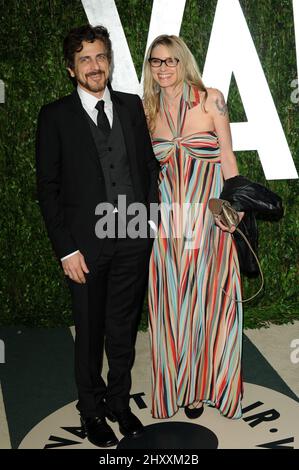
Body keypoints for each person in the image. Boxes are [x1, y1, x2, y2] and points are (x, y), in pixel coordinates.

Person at [36, 24, 159, 447]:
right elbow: (48, 189)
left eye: (101, 57)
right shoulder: (54, 116)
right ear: (71, 69)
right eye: (85, 59)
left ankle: (118, 403)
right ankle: (90, 411)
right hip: (84, 247)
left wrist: (152, 221)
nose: (95, 66)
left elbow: (148, 170)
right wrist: (65, 248)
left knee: (123, 328)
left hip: (132, 238)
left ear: (110, 61)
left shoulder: (129, 106)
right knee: (89, 333)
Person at [143, 35, 244, 420]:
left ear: (184, 62)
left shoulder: (211, 98)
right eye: (156, 62)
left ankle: (207, 388)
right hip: (169, 226)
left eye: (171, 61)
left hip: (209, 220)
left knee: (210, 305)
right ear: (149, 67)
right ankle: (179, 388)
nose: (164, 68)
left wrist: (233, 209)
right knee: (173, 308)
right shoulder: (147, 110)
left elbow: (228, 158)